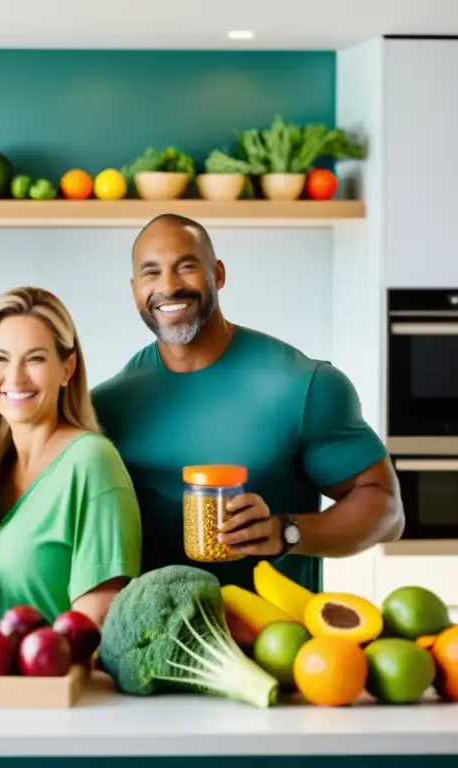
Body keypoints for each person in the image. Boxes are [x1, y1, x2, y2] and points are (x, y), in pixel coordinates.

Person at [91, 213, 404, 593]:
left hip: (278, 644)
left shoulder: (303, 385)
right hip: (148, 644)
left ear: (218, 274)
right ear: (135, 288)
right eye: (151, 273)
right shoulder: (104, 407)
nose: (169, 286)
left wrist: (285, 532)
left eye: (186, 267)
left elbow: (386, 511)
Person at [0, 286, 142, 627]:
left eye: (35, 359)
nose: (15, 377)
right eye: (0, 358)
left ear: (67, 367)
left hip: (47, 678)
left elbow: (95, 626)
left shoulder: (91, 462)